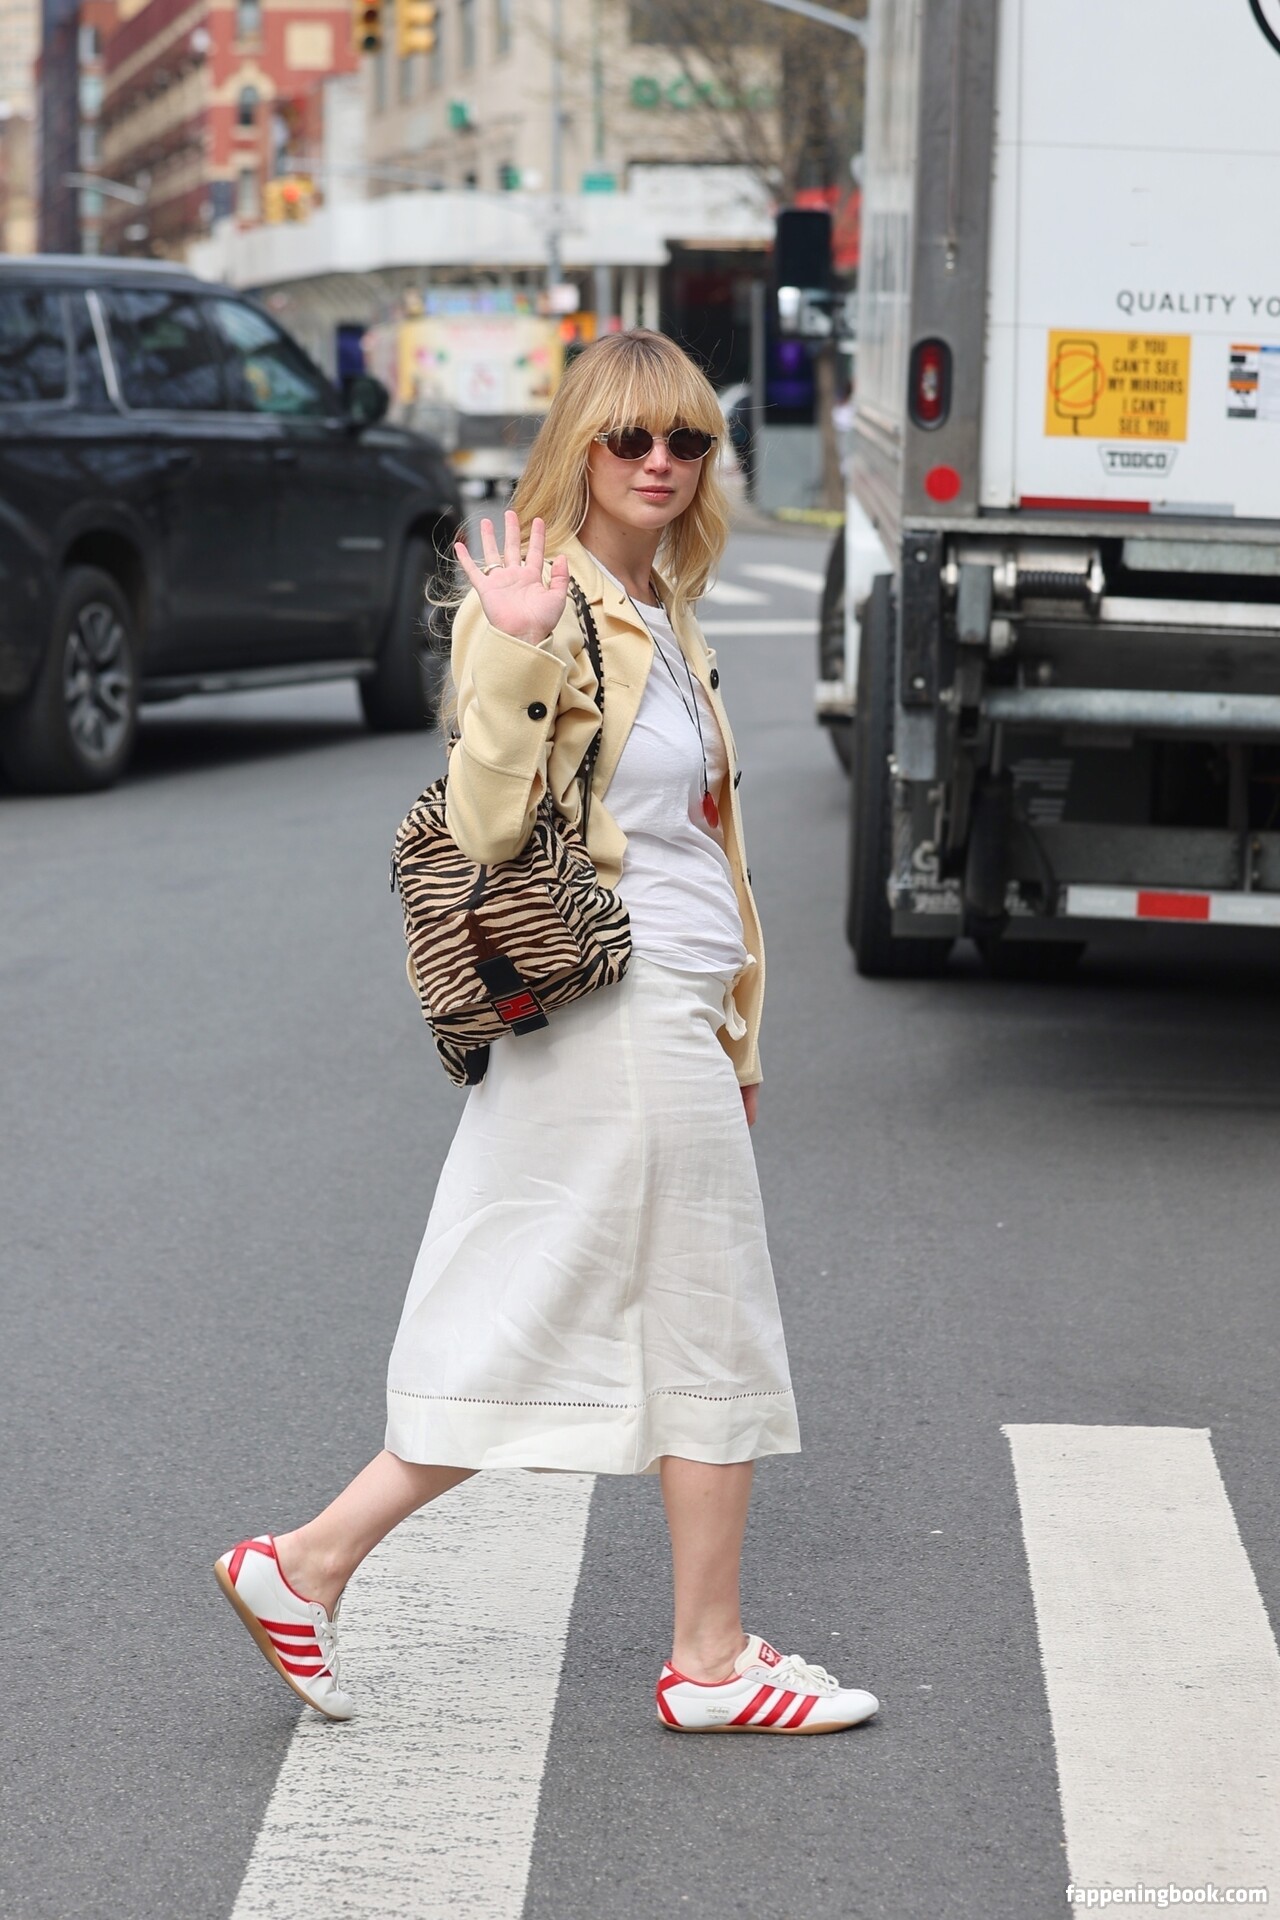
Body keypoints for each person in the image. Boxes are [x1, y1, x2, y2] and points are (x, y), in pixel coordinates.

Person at [215, 330, 879, 1737]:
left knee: (579, 1309)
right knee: (704, 1316)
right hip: (619, 1005)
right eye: (628, 437)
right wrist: (513, 649)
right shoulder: (537, 605)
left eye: (687, 439)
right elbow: (484, 825)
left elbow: (704, 848)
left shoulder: (663, 607)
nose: (659, 462)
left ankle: (311, 1564)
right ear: (577, 447)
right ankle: (706, 1662)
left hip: (675, 1008)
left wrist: (739, 1041)